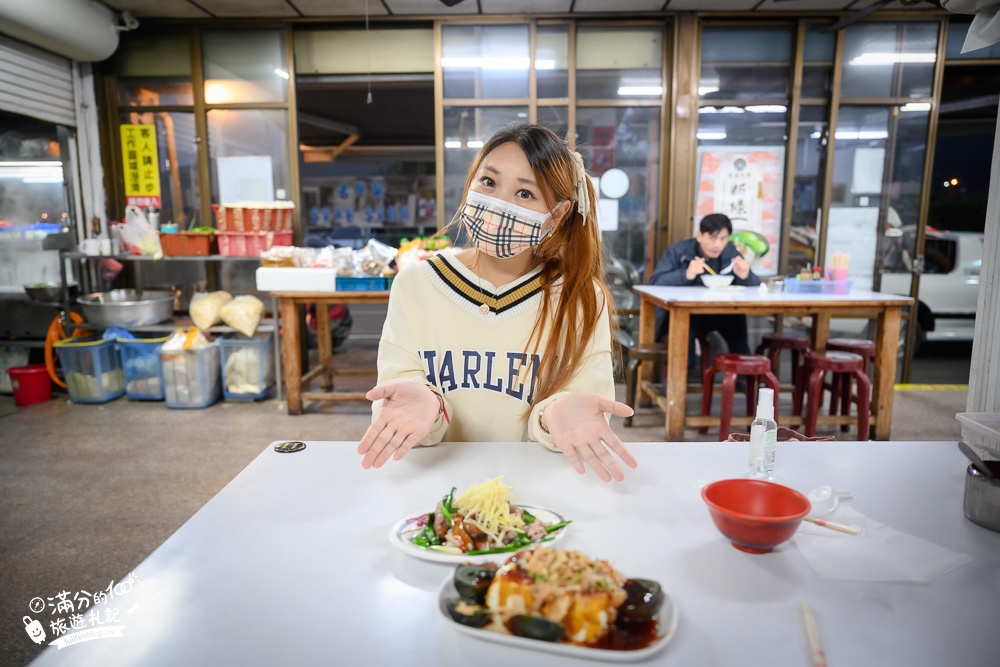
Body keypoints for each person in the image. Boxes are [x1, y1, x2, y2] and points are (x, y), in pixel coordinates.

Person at [357, 123, 637, 483]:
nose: (499, 203)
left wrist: (555, 414)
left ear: (556, 215)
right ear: (470, 183)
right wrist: (425, 405)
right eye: (488, 182)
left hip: (539, 490)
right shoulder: (416, 284)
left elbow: (580, 409)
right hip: (433, 486)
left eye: (525, 193)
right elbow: (399, 393)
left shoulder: (581, 298)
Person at [649, 213, 760, 358]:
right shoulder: (679, 251)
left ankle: (743, 371)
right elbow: (656, 282)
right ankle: (682, 372)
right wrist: (686, 274)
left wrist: (746, 276)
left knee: (736, 320)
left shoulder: (731, 252)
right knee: (685, 323)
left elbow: (755, 286)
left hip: (720, 313)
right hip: (687, 314)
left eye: (723, 238)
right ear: (699, 236)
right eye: (712, 238)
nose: (717, 245)